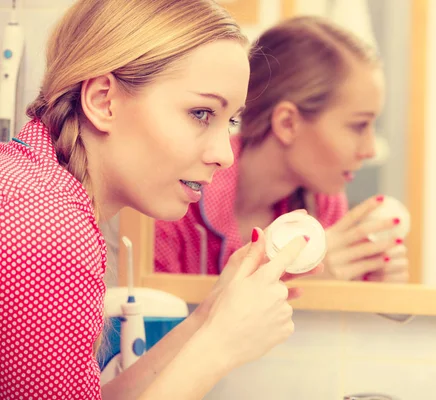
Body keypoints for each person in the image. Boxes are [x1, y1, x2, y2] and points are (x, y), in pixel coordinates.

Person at [0, 1, 320, 399]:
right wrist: (219, 347)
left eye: (231, 120)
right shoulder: (47, 229)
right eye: (202, 113)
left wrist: (209, 316)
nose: (226, 154)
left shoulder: (41, 194)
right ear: (103, 101)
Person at [155, 16, 409, 282]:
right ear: (287, 123)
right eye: (358, 126)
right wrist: (302, 288)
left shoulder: (322, 203)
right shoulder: (177, 195)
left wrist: (374, 295)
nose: (370, 150)